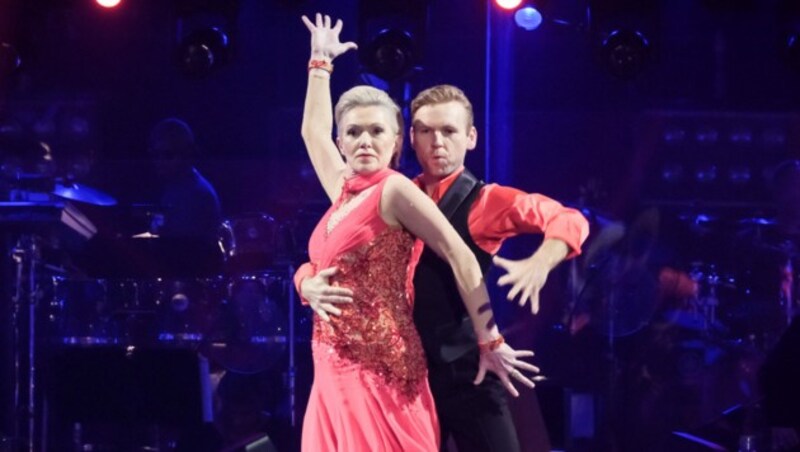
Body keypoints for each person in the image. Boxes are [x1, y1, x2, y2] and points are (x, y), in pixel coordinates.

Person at [298, 81, 588, 452]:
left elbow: (566, 218)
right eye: (426, 131)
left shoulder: (488, 200)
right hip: (400, 373)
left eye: (449, 131)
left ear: (470, 137)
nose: (437, 142)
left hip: (466, 370)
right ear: (410, 138)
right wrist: (305, 279)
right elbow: (336, 254)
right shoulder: (384, 194)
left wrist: (541, 262)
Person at [146, 117, 222, 242]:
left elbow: (179, 249)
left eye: (168, 155)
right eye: (155, 154)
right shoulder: (176, 187)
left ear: (187, 154)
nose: (160, 161)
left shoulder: (196, 195)